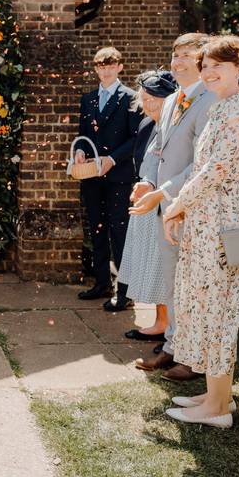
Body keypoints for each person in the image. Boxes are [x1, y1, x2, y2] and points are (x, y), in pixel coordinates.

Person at [160, 35, 239, 428]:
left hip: (224, 223)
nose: (207, 72)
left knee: (218, 312)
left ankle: (218, 409)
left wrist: (177, 203)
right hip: (208, 219)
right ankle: (215, 394)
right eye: (204, 66)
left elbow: (215, 170)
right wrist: (185, 209)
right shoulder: (223, 107)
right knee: (206, 308)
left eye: (216, 65)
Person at [132, 32, 212, 382]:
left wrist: (162, 191)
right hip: (167, 209)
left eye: (186, 55)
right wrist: (148, 182)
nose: (177, 62)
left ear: (204, 61)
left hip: (195, 209)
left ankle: (195, 358)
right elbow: (157, 149)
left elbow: (203, 163)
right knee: (171, 284)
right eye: (175, 55)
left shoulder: (211, 101)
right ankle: (173, 346)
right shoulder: (174, 99)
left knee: (194, 287)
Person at [73, 47, 140, 304]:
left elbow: (136, 138)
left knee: (119, 232)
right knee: (97, 229)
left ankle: (125, 293)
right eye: (101, 66)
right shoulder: (88, 99)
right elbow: (83, 134)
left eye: (110, 65)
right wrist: (80, 150)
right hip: (91, 175)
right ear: (96, 69)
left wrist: (112, 159)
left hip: (119, 176)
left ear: (120, 67)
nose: (106, 70)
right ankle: (101, 283)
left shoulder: (131, 98)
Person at [118, 71, 177, 332]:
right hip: (145, 203)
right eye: (145, 98)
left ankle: (165, 323)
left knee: (160, 266)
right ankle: (159, 321)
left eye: (155, 98)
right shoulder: (145, 125)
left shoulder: (173, 127)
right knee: (151, 265)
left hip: (164, 205)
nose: (149, 103)